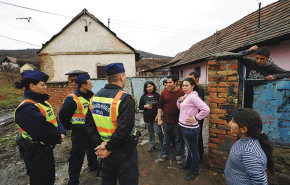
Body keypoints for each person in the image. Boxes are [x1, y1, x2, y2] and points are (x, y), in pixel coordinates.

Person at [85, 63, 140, 185]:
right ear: (121, 76)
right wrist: (107, 147)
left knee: (108, 179)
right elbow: (124, 130)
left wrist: (101, 144)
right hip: (123, 149)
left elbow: (88, 124)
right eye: (125, 76)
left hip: (105, 149)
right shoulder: (126, 99)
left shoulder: (94, 97)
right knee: (128, 180)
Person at [14, 70, 66, 185]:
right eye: (42, 85)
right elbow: (42, 131)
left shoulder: (42, 102)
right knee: (41, 180)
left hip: (45, 149)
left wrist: (61, 131)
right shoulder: (27, 108)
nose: (45, 87)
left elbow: (55, 119)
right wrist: (58, 137)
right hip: (36, 152)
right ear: (32, 86)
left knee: (49, 178)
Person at [59, 73, 99, 185]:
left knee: (93, 151)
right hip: (80, 133)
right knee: (77, 157)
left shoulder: (91, 96)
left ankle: (93, 166)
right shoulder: (72, 99)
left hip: (91, 131)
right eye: (90, 83)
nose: (92, 85)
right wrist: (70, 127)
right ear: (83, 85)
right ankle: (73, 180)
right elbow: (63, 116)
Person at [225, 108, 275, 184]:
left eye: (233, 121)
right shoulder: (245, 140)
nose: (230, 122)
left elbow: (260, 182)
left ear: (244, 129)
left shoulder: (249, 152)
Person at [177, 78, 210, 181]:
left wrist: (196, 118)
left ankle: (194, 171)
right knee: (189, 149)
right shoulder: (186, 96)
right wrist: (179, 100)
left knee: (194, 151)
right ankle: (188, 164)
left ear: (192, 86)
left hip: (190, 129)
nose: (184, 87)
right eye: (183, 85)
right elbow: (180, 108)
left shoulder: (193, 97)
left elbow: (206, 109)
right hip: (184, 126)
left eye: (187, 85)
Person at [157, 74, 184, 164]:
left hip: (178, 121)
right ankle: (164, 154)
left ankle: (179, 156)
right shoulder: (164, 92)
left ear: (175, 83)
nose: (168, 84)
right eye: (167, 82)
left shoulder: (181, 93)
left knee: (178, 139)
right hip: (166, 121)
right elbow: (160, 106)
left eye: (170, 82)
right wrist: (159, 119)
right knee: (166, 139)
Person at [139, 81, 163, 152]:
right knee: (150, 132)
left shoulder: (157, 95)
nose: (149, 88)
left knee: (158, 132)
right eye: (147, 87)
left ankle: (163, 146)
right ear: (145, 88)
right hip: (147, 117)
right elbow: (140, 107)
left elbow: (160, 106)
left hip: (156, 117)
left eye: (150, 86)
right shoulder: (143, 97)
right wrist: (145, 106)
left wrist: (158, 116)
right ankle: (152, 145)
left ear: (153, 86)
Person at [189, 71, 205, 160]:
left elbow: (200, 105)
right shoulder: (195, 88)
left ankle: (200, 154)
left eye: (192, 78)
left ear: (197, 78)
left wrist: (196, 117)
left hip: (198, 116)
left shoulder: (199, 89)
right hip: (195, 116)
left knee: (198, 135)